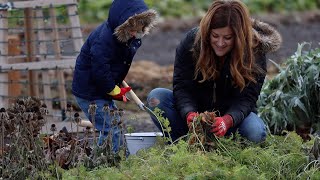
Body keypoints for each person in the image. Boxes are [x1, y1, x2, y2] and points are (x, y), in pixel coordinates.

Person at [146, 0, 282, 143]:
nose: (220, 43)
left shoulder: (254, 51)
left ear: (239, 37)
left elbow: (247, 98)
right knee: (157, 97)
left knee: (255, 132)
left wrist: (228, 120)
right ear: (207, 32)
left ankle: (230, 150)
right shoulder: (193, 43)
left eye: (227, 37)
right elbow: (182, 86)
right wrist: (189, 113)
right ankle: (181, 145)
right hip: (194, 119)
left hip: (232, 121)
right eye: (215, 36)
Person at [72, 0, 157, 151]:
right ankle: (108, 164)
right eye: (131, 29)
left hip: (101, 89)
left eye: (139, 29)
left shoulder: (129, 39)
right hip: (90, 91)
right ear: (122, 25)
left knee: (113, 125)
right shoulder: (103, 41)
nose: (135, 33)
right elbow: (100, 70)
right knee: (111, 129)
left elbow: (116, 63)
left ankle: (103, 160)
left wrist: (115, 85)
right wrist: (113, 90)